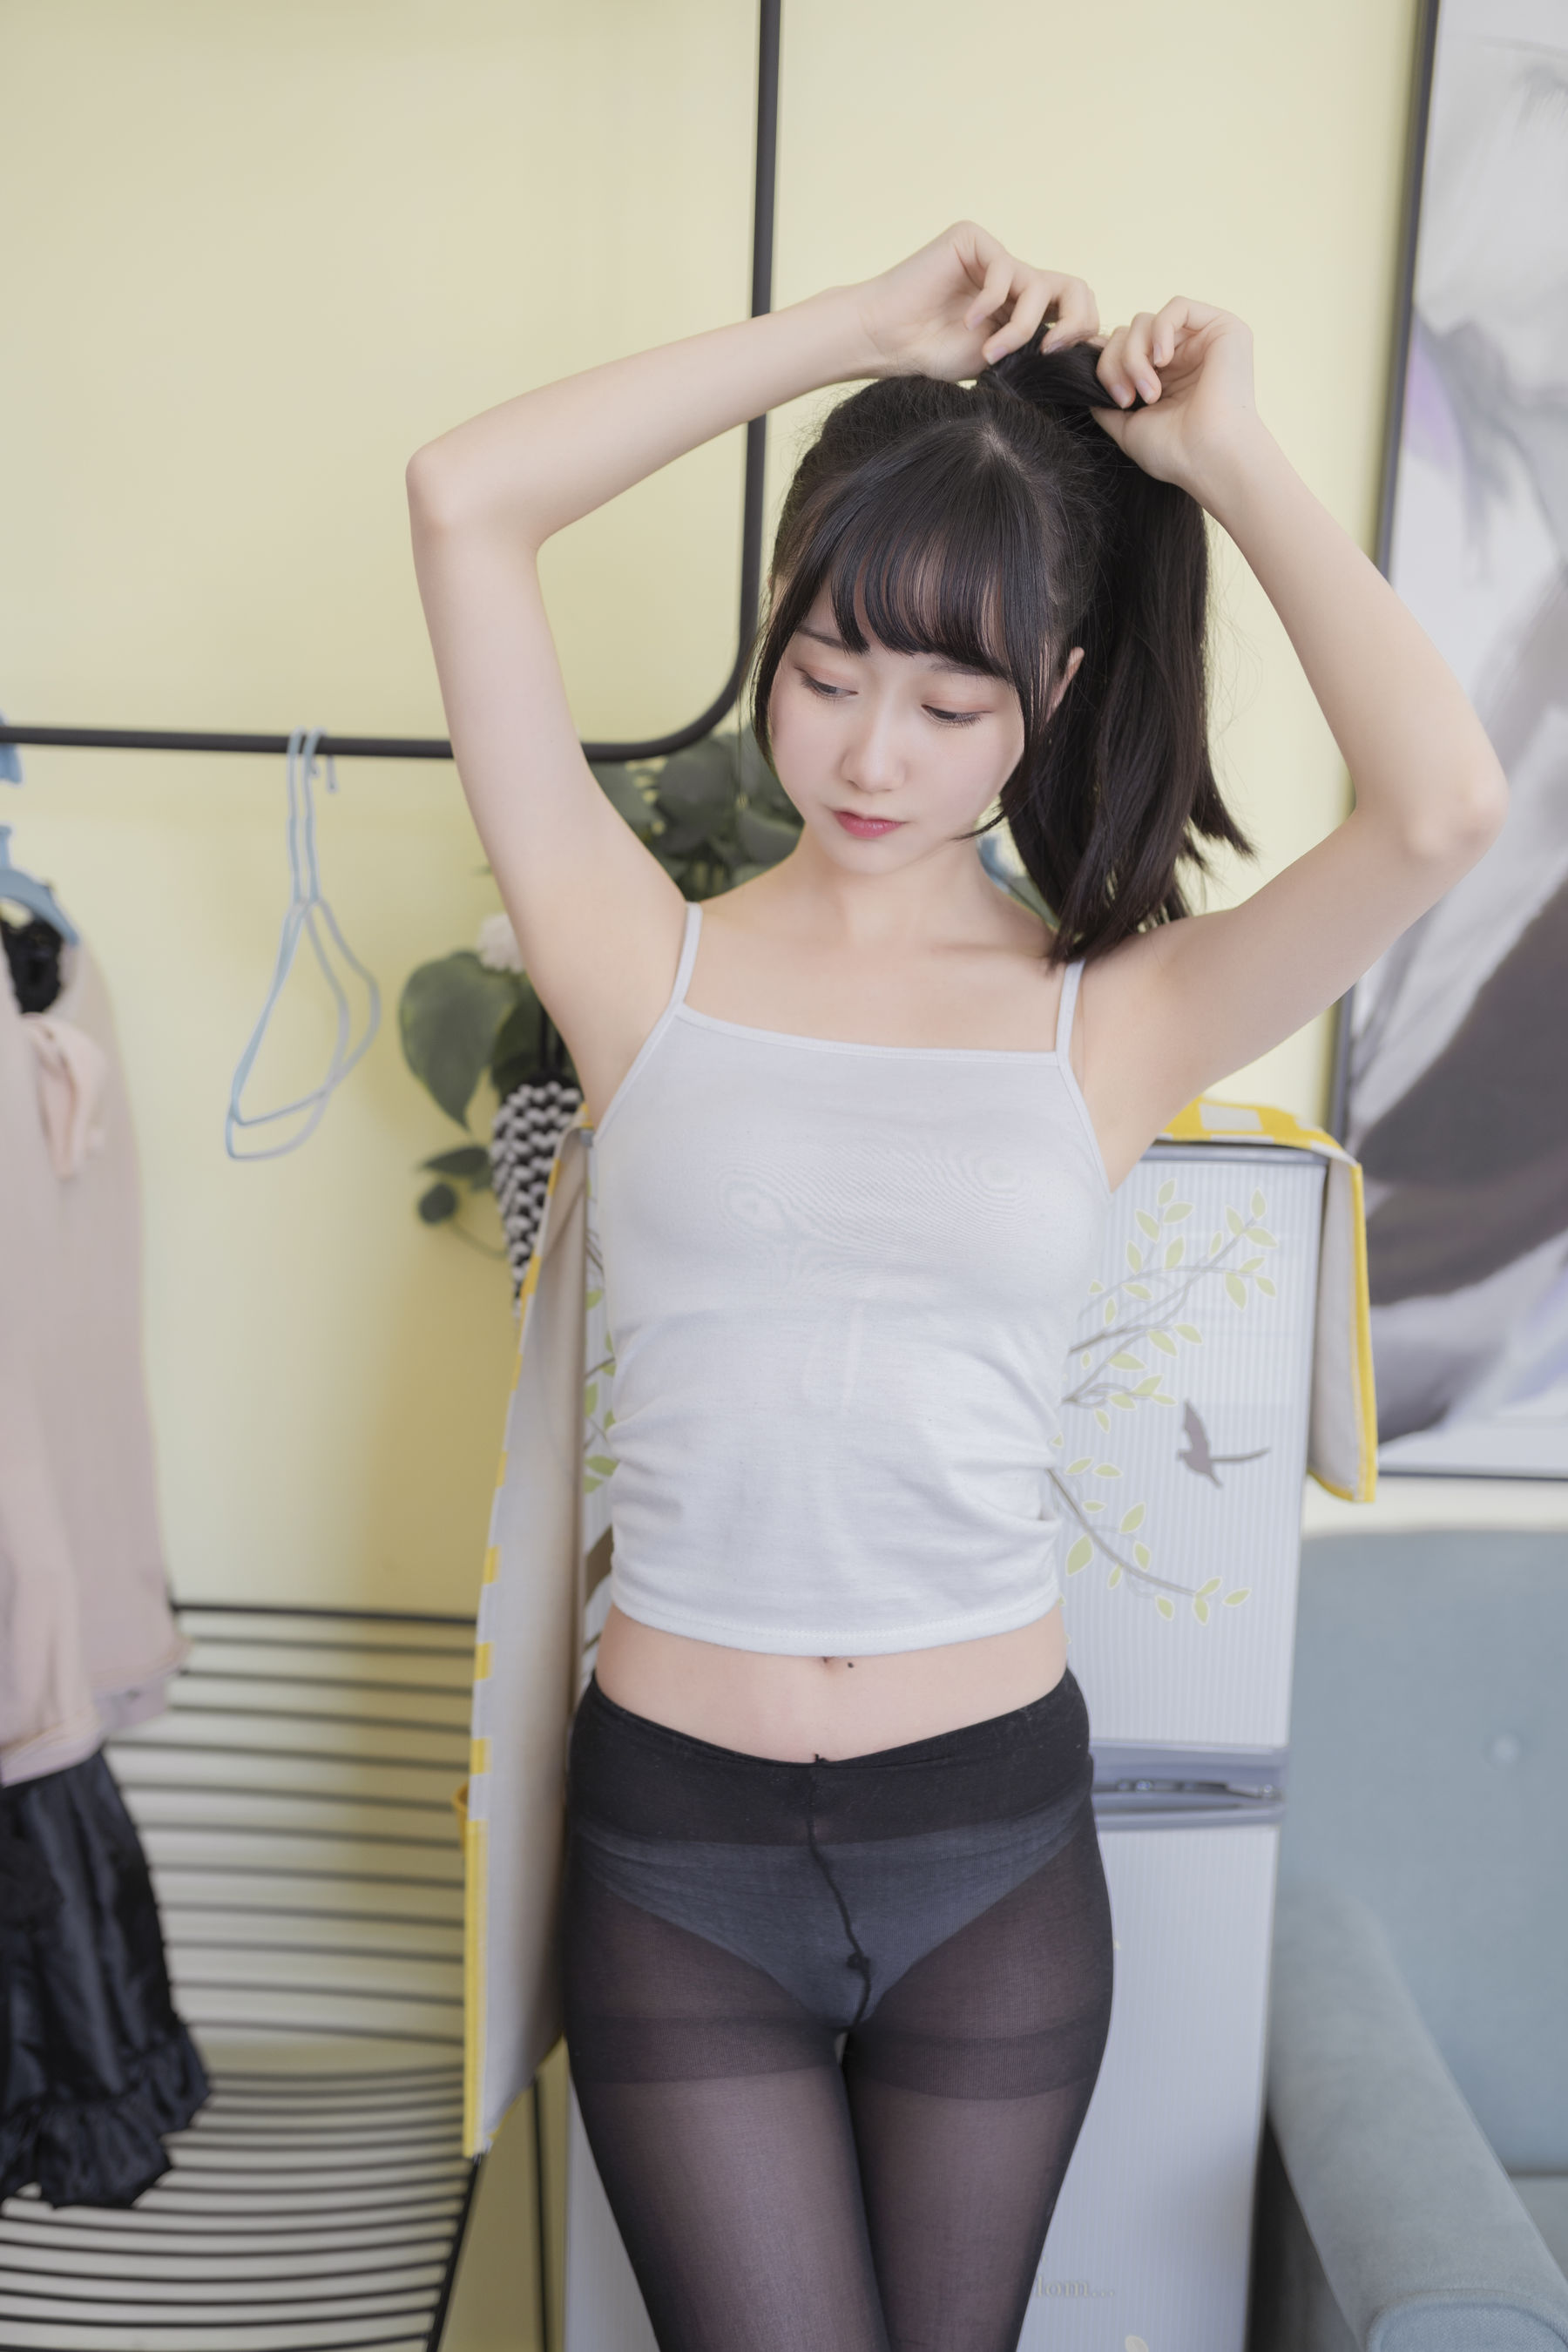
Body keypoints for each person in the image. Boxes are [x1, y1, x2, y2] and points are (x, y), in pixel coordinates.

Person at [407, 222, 1505, 2352]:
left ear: (1053, 697)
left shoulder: (1117, 1016)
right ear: (775, 639)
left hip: (987, 1843)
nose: (870, 756)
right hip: (675, 1851)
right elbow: (466, 498)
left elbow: (1445, 806)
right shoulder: (637, 960)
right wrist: (855, 334)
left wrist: (1235, 460)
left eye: (948, 701)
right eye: (828, 674)